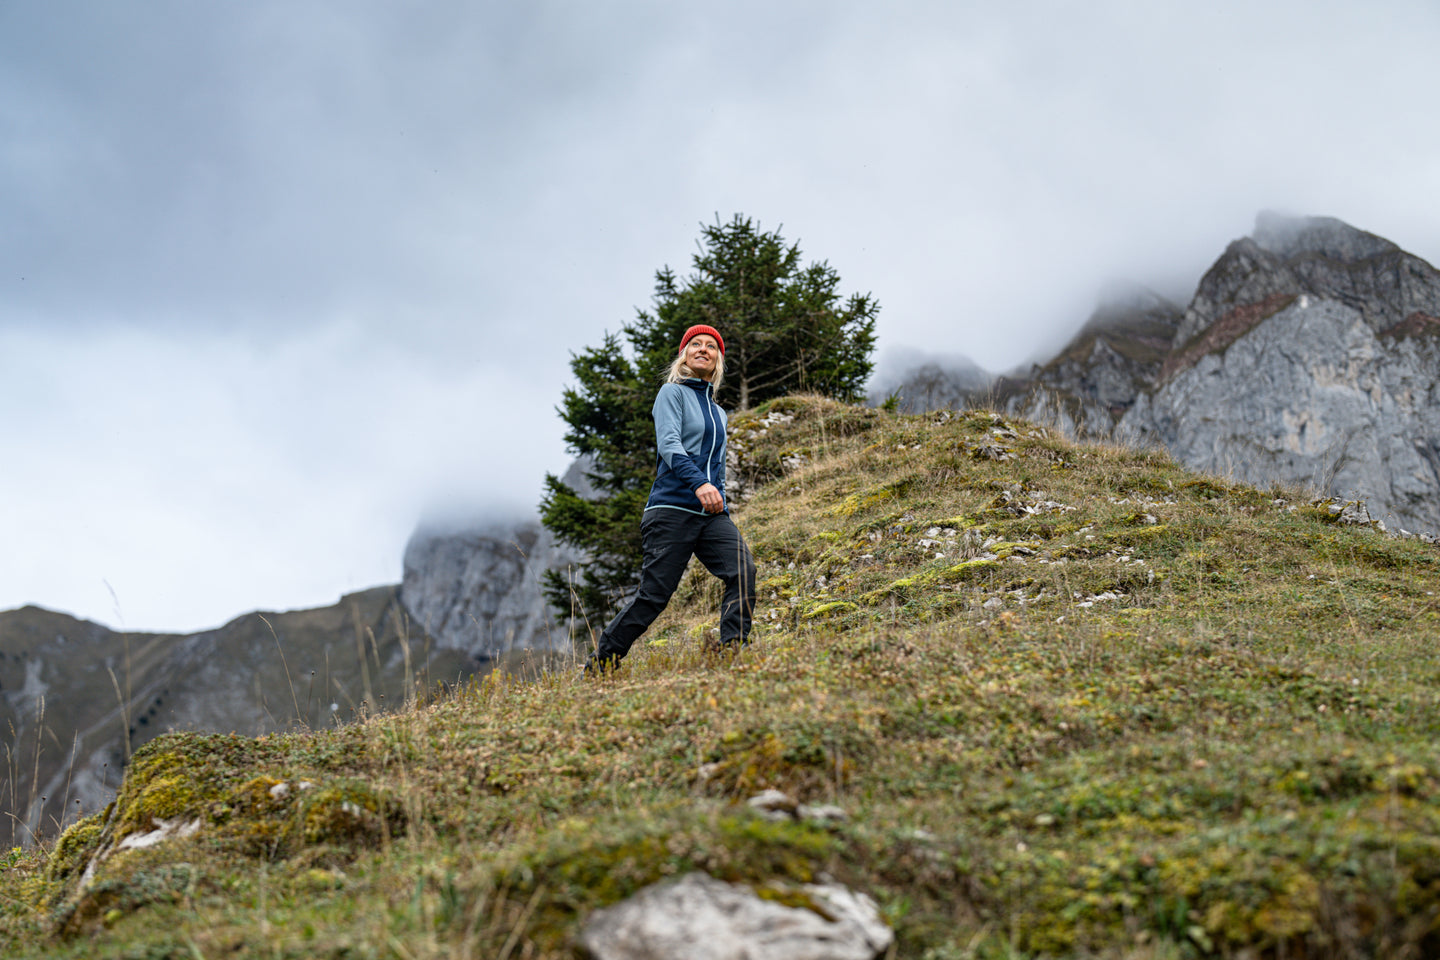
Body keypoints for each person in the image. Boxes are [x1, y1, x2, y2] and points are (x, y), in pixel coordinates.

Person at [585, 324, 756, 672]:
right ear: (685, 355)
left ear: (718, 360)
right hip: (671, 510)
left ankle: (731, 654)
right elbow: (670, 446)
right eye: (696, 344)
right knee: (654, 597)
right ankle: (601, 664)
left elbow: (717, 466)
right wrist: (698, 485)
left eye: (711, 346)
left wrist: (717, 495)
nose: (703, 349)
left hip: (710, 514)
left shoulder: (719, 413)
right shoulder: (671, 394)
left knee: (743, 570)